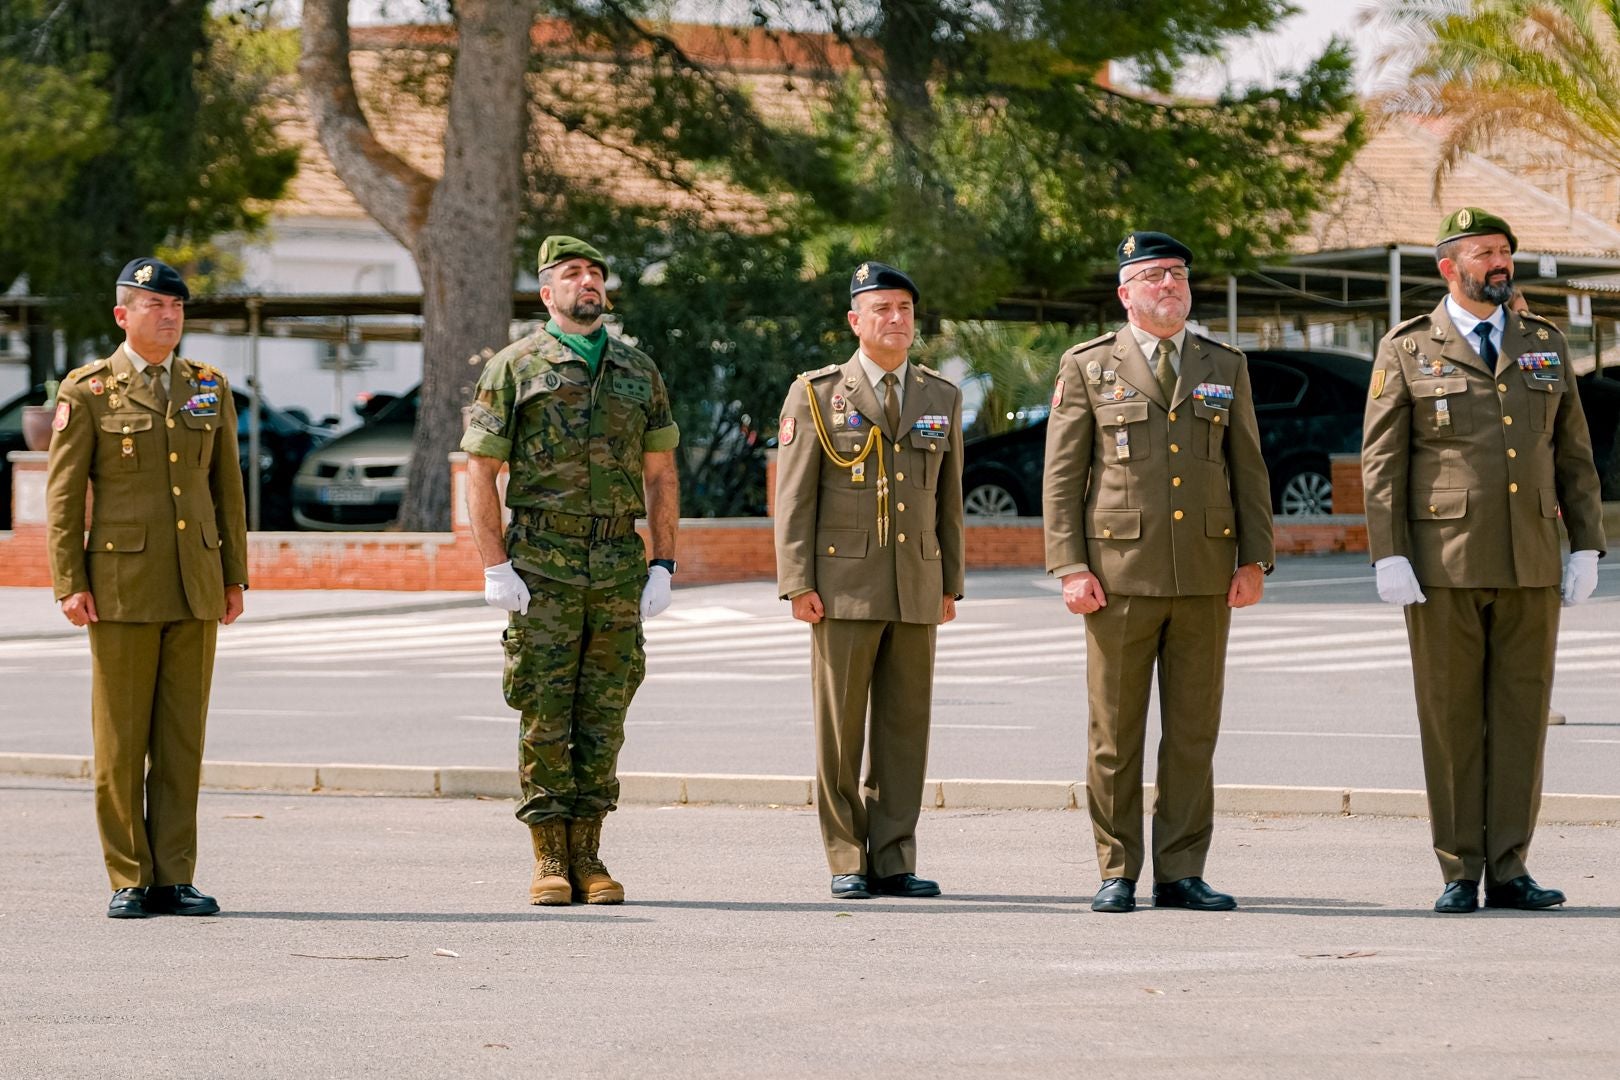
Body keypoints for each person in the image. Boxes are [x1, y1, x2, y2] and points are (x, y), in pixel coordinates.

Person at [1361, 208, 1606, 914]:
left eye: (1505, 251)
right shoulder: (1407, 349)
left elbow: (1573, 456)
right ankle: (1459, 868)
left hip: (1530, 559)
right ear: (1448, 267)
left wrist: (1585, 542)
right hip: (1442, 565)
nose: (1500, 263)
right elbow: (1382, 465)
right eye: (1484, 253)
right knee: (1451, 719)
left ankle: (1510, 867)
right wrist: (1390, 555)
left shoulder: (1543, 343)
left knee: (1521, 719)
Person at [1042, 232, 1274, 914]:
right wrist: (1070, 566)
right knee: (1115, 735)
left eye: (1176, 274)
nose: (1167, 286)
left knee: (1194, 732)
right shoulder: (1089, 365)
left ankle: (1181, 871)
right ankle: (1117, 869)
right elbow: (1062, 477)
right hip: (1117, 578)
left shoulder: (1222, 363)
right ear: (1125, 293)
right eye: (1151, 276)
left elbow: (1248, 468)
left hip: (1205, 576)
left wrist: (1255, 558)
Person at [461, 235, 680, 906]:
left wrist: (663, 562)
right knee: (545, 710)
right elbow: (481, 471)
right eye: (571, 272)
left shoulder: (638, 371)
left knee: (604, 712)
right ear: (546, 293)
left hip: (616, 564)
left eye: (595, 273)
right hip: (542, 565)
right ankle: (549, 857)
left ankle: (589, 853)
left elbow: (662, 474)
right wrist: (495, 565)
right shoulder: (514, 367)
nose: (587, 281)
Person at [45, 257, 248, 919]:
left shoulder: (208, 387)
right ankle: (129, 875)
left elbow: (227, 492)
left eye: (176, 307)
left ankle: (174, 877)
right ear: (122, 315)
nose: (169, 316)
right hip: (122, 585)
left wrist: (233, 575)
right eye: (154, 305)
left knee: (182, 740)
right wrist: (69, 582)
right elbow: (65, 497)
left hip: (195, 583)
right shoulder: (88, 391)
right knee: (122, 741)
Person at [774, 262, 964, 899]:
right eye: (882, 309)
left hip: (916, 580)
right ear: (855, 321)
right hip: (843, 585)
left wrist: (950, 582)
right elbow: (794, 497)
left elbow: (948, 501)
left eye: (905, 309)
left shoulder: (940, 395)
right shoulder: (817, 393)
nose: (896, 319)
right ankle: (845, 857)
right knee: (840, 729)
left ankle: (894, 856)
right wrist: (797, 581)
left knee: (905, 730)